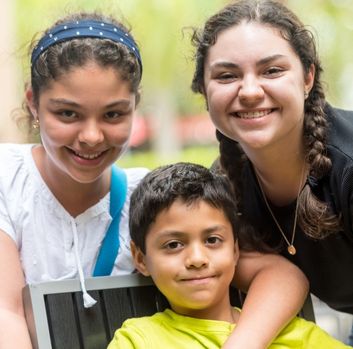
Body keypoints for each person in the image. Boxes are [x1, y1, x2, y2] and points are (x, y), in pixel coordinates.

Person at [190, 0, 353, 346]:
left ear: (308, 77)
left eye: (272, 71)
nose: (249, 91)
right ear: (204, 91)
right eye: (227, 76)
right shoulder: (225, 185)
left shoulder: (348, 168)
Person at [0, 12, 148, 348]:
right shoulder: (6, 180)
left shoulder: (149, 197)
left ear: (134, 106)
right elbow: (4, 313)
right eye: (68, 113)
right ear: (33, 104)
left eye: (113, 114)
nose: (92, 136)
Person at [107, 162, 350, 349]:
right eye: (173, 245)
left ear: (235, 251)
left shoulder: (296, 335)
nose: (197, 258)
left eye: (212, 240)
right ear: (140, 259)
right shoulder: (138, 340)